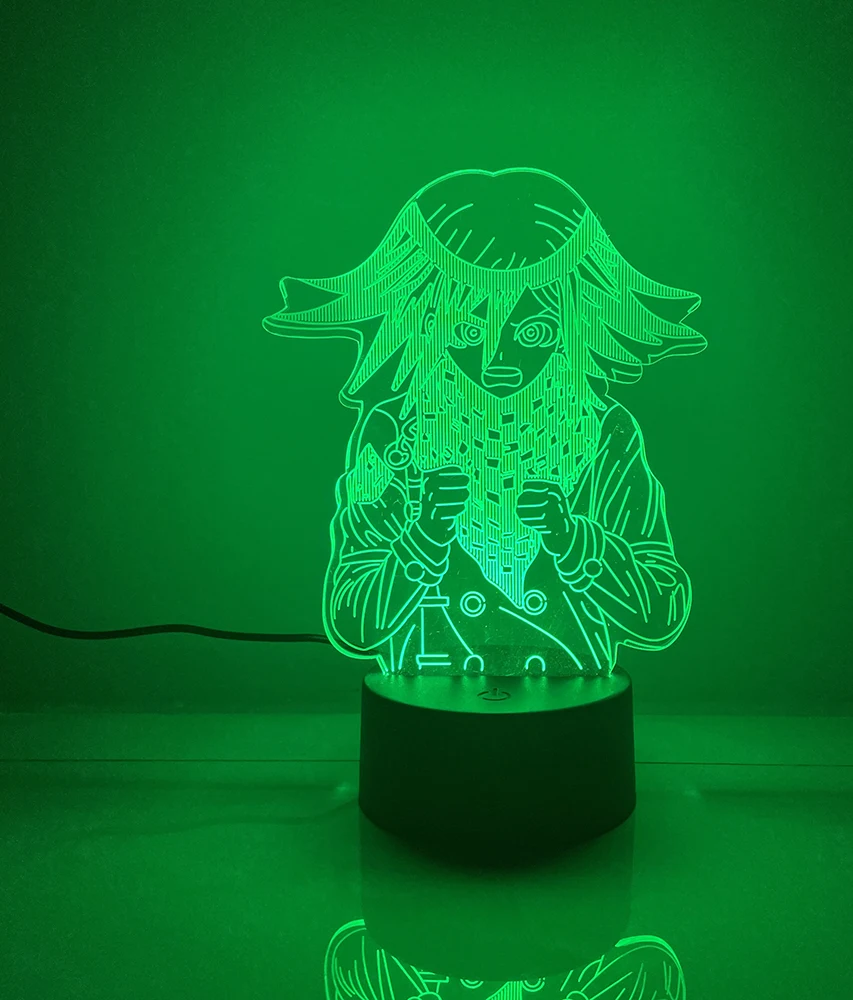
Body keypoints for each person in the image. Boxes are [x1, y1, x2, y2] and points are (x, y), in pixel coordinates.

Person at [263, 168, 707, 676]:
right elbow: (353, 620)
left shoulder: (606, 433)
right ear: (427, 322)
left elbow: (660, 612)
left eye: (533, 332)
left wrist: (573, 539)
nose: (498, 364)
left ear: (574, 325)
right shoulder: (391, 436)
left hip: (572, 687)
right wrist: (424, 534)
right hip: (429, 687)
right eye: (469, 331)